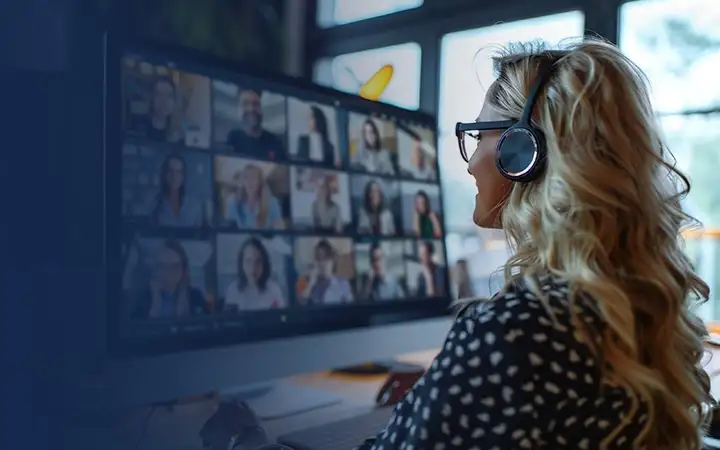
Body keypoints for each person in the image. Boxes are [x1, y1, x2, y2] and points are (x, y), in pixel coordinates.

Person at [356, 40, 713, 450]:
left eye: (477, 137)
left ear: (522, 151)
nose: (470, 164)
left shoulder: (514, 331)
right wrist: (457, 386)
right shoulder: (630, 310)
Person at [131, 240, 207, 319]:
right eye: (162, 267)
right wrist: (155, 304)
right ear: (156, 270)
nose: (168, 273)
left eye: (174, 267)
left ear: (183, 270)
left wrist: (183, 303)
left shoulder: (195, 296)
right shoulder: (143, 298)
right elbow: (136, 328)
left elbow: (203, 327)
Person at [224, 237, 285, 311]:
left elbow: (281, 319)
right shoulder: (233, 290)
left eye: (258, 261)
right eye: (248, 261)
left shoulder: (274, 290)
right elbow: (230, 321)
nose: (253, 268)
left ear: (264, 264)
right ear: (242, 263)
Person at [226, 89, 284, 159]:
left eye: (256, 104)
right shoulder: (232, 140)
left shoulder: (275, 143)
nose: (251, 108)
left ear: (261, 109)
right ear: (238, 110)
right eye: (245, 104)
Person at [150, 153, 204, 227]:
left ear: (183, 177)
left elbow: (200, 235)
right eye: (170, 171)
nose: (174, 176)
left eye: (178, 172)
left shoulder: (194, 206)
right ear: (164, 174)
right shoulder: (153, 204)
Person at [224, 164, 284, 230]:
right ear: (242, 181)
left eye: (253, 177)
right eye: (246, 177)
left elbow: (279, 227)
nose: (249, 181)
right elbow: (228, 229)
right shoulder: (233, 203)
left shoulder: (272, 203)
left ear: (260, 182)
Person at [299, 240, 353, 305]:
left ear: (332, 261)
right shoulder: (308, 282)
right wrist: (311, 283)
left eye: (325, 259)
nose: (322, 263)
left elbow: (350, 306)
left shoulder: (342, 283)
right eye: (318, 258)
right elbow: (301, 303)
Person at [139, 76, 184, 144]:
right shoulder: (139, 126)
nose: (163, 101)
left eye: (169, 96)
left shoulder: (178, 136)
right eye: (158, 94)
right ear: (152, 98)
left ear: (175, 101)